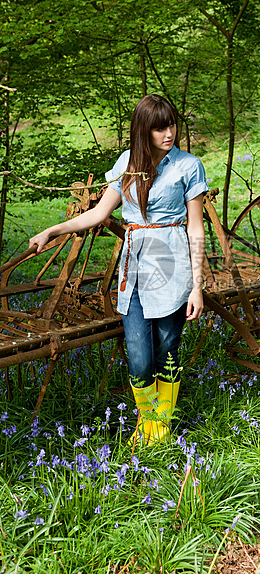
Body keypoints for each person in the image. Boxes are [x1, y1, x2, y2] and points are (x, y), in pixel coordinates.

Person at [29, 94, 208, 445]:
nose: (168, 133)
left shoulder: (188, 165)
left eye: (171, 124)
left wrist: (198, 286)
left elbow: (196, 228)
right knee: (140, 357)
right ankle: (149, 423)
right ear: (143, 131)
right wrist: (54, 229)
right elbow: (99, 214)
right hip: (136, 262)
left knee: (167, 349)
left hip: (172, 261)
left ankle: (157, 433)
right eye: (158, 128)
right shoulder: (127, 163)